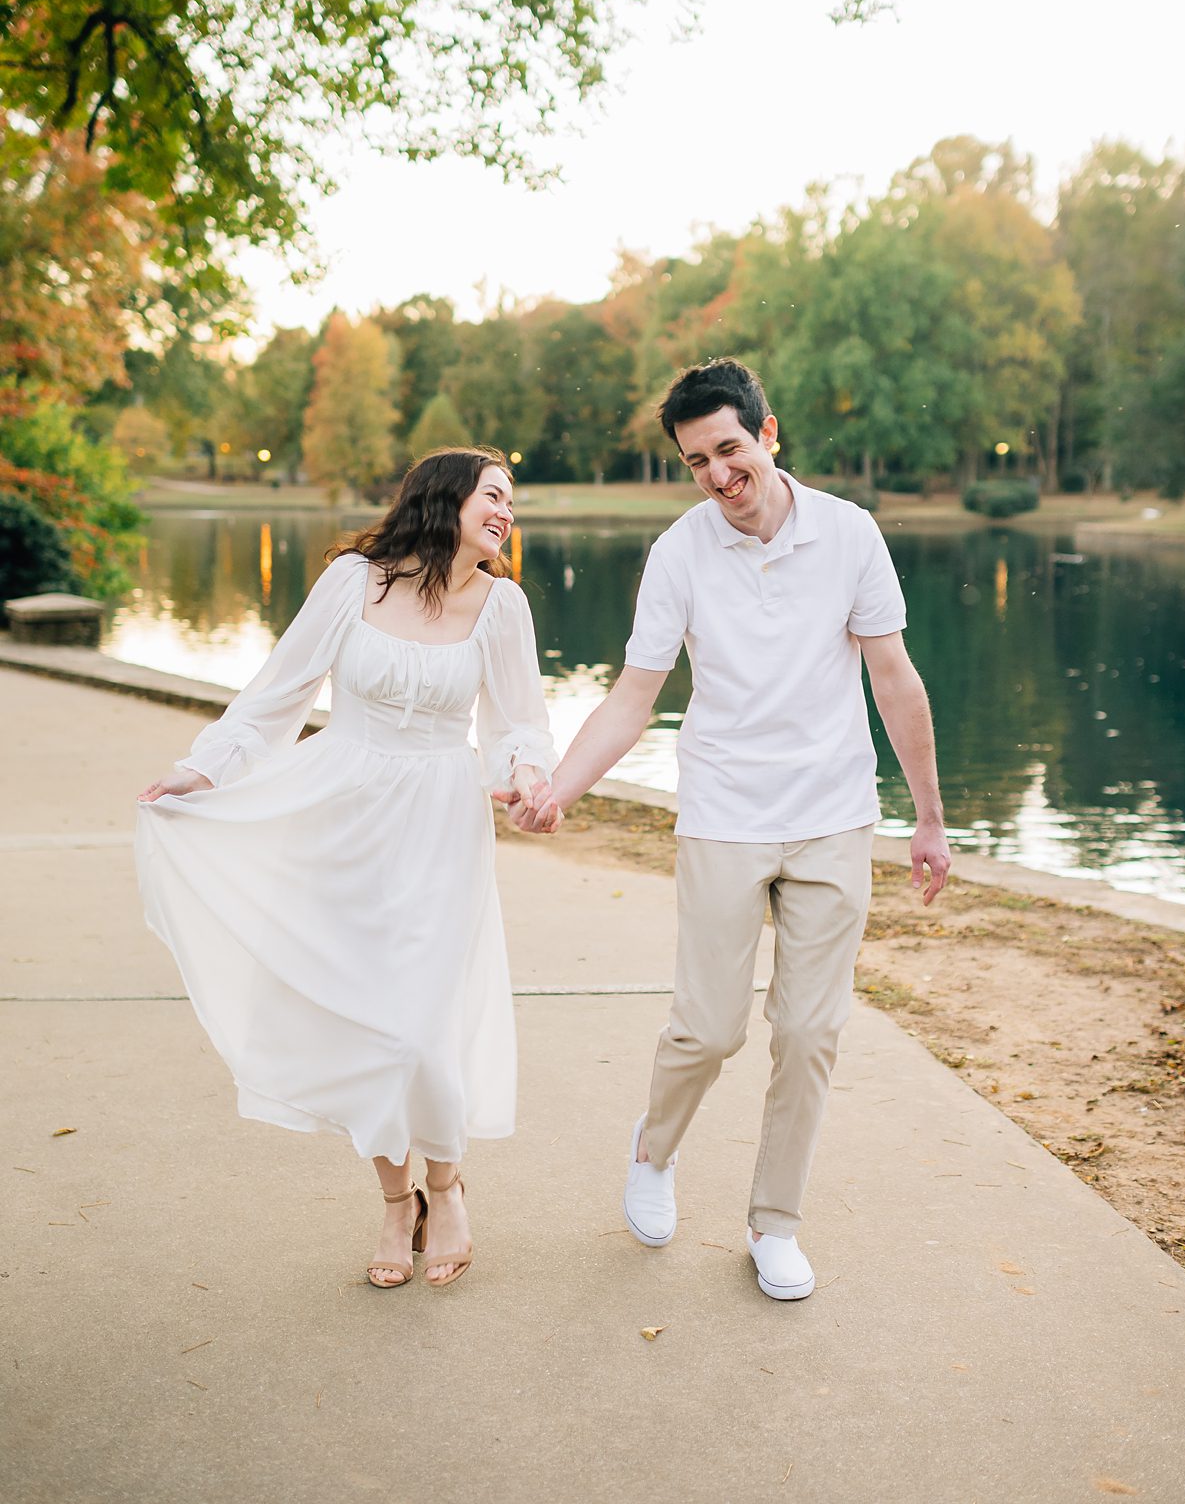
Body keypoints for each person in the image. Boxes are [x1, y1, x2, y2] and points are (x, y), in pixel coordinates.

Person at [509, 359, 951, 1301]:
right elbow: (634, 697)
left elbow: (895, 680)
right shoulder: (679, 553)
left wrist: (929, 819)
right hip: (723, 815)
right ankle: (654, 1149)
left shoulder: (850, 534)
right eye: (697, 460)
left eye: (729, 449)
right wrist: (561, 790)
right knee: (710, 1031)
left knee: (809, 1032)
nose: (716, 475)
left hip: (834, 815)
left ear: (769, 434)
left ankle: (774, 1224)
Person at [136, 448, 558, 1290]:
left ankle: (447, 1183)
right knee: (364, 1021)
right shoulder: (352, 583)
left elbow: (518, 720)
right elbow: (275, 694)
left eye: (513, 500)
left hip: (440, 821)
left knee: (422, 1024)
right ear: (444, 498)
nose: (507, 511)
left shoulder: (501, 605)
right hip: (341, 813)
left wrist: (528, 775)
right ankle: (397, 1199)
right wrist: (204, 768)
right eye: (494, 495)